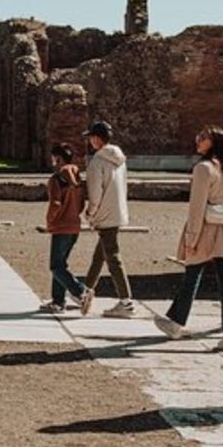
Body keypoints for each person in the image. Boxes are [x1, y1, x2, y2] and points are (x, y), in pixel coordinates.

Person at [154, 126, 223, 352]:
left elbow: (196, 208)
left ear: (214, 142)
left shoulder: (203, 169)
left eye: (203, 138)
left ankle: (176, 323)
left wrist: (191, 238)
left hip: (205, 231)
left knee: (191, 278)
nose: (198, 140)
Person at [82, 121, 135, 318]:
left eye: (90, 137)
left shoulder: (97, 162)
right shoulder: (119, 159)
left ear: (97, 138)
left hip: (104, 212)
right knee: (101, 254)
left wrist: (90, 213)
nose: (89, 141)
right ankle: (86, 289)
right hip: (117, 211)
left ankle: (126, 301)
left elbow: (95, 192)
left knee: (112, 256)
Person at [39, 143, 85, 313]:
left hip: (61, 226)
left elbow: (55, 203)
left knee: (55, 267)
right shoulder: (78, 179)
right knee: (60, 264)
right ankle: (58, 301)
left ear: (58, 158)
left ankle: (81, 291)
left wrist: (50, 221)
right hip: (74, 226)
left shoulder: (56, 179)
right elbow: (81, 204)